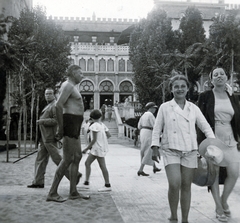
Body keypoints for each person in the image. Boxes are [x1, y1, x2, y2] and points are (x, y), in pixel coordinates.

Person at [151, 74, 215, 223]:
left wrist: (212, 144)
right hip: (170, 149)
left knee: (186, 185)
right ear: (171, 90)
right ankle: (174, 216)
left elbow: (205, 126)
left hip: (190, 151)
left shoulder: (193, 108)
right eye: (176, 86)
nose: (180, 89)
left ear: (187, 88)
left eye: (182, 86)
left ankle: (185, 219)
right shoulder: (165, 107)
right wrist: (154, 147)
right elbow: (156, 129)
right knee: (174, 183)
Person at [197, 66, 240, 222]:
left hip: (230, 138)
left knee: (234, 172)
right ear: (211, 79)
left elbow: (238, 119)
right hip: (213, 138)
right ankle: (218, 207)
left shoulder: (233, 97)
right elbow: (199, 120)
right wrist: (201, 143)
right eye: (216, 75)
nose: (219, 76)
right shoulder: (205, 96)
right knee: (213, 174)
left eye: (222, 74)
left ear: (226, 78)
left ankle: (224, 200)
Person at [46, 65, 89, 202]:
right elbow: (58, 105)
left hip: (75, 123)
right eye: (80, 73)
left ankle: (73, 192)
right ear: (74, 73)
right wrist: (61, 127)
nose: (82, 75)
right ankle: (52, 193)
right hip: (69, 123)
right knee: (67, 159)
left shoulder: (71, 86)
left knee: (77, 157)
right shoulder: (68, 85)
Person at [27, 88, 82, 189]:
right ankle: (38, 182)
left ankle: (74, 175)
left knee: (57, 159)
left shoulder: (55, 105)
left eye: (50, 94)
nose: (47, 95)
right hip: (44, 138)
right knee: (40, 159)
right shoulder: (48, 105)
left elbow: (56, 120)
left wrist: (42, 121)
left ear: (54, 95)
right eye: (46, 94)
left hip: (50, 137)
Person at [82, 109, 112, 192]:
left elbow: (94, 140)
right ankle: (86, 182)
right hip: (98, 148)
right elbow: (109, 135)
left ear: (91, 117)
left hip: (97, 148)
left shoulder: (94, 125)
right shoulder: (102, 125)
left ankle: (107, 184)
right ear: (100, 116)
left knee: (102, 166)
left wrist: (86, 148)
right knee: (87, 163)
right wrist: (102, 139)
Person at [137, 102, 161, 176]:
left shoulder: (143, 115)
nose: (155, 110)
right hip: (149, 132)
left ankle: (154, 167)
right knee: (149, 150)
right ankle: (140, 169)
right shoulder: (150, 115)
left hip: (143, 132)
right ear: (151, 108)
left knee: (145, 149)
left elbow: (139, 126)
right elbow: (155, 125)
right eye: (154, 108)